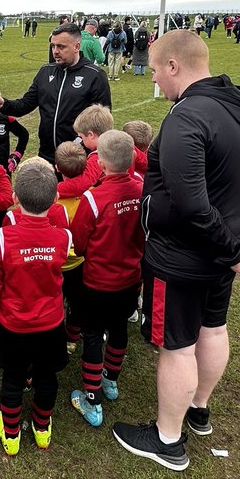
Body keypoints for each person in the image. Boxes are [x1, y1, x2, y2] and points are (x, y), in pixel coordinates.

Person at [112, 30, 240, 472]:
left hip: (185, 256)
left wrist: (234, 248)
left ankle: (167, 439)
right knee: (213, 329)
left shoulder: (187, 117)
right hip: (223, 250)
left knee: (178, 346)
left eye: (157, 72)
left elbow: (191, 204)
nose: (155, 82)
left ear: (174, 66)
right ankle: (198, 409)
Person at [0, 159, 71, 456]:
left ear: (15, 200)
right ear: (56, 198)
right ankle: (41, 428)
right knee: (47, 377)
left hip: (14, 325)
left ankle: (12, 435)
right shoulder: (63, 237)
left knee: (14, 379)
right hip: (50, 324)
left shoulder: (3, 237)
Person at [68, 130, 145, 427]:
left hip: (98, 282)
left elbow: (78, 240)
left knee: (91, 334)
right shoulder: (141, 188)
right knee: (118, 329)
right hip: (130, 278)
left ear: (99, 162)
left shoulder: (94, 197)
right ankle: (110, 380)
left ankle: (92, 399)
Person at [0, 24, 110, 163]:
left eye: (61, 46)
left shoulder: (95, 75)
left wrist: (79, 147)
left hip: (77, 159)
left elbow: (102, 123)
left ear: (76, 47)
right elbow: (25, 105)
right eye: (53, 46)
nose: (55, 51)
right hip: (46, 156)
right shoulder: (46, 71)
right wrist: (4, 104)